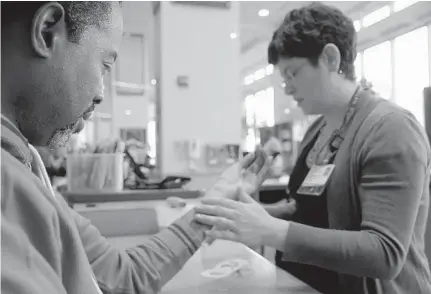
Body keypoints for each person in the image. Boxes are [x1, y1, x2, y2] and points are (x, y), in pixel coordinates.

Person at [1, 2, 273, 294]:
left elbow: (121, 277)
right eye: (105, 65)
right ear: (47, 32)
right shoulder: (9, 186)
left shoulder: (27, 171)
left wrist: (218, 197)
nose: (99, 94)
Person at [194, 3, 431, 294]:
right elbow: (305, 210)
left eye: (293, 74)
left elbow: (384, 254)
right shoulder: (316, 130)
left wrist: (270, 230)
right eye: (283, 79)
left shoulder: (391, 129)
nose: (287, 88)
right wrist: (254, 214)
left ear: (330, 58)